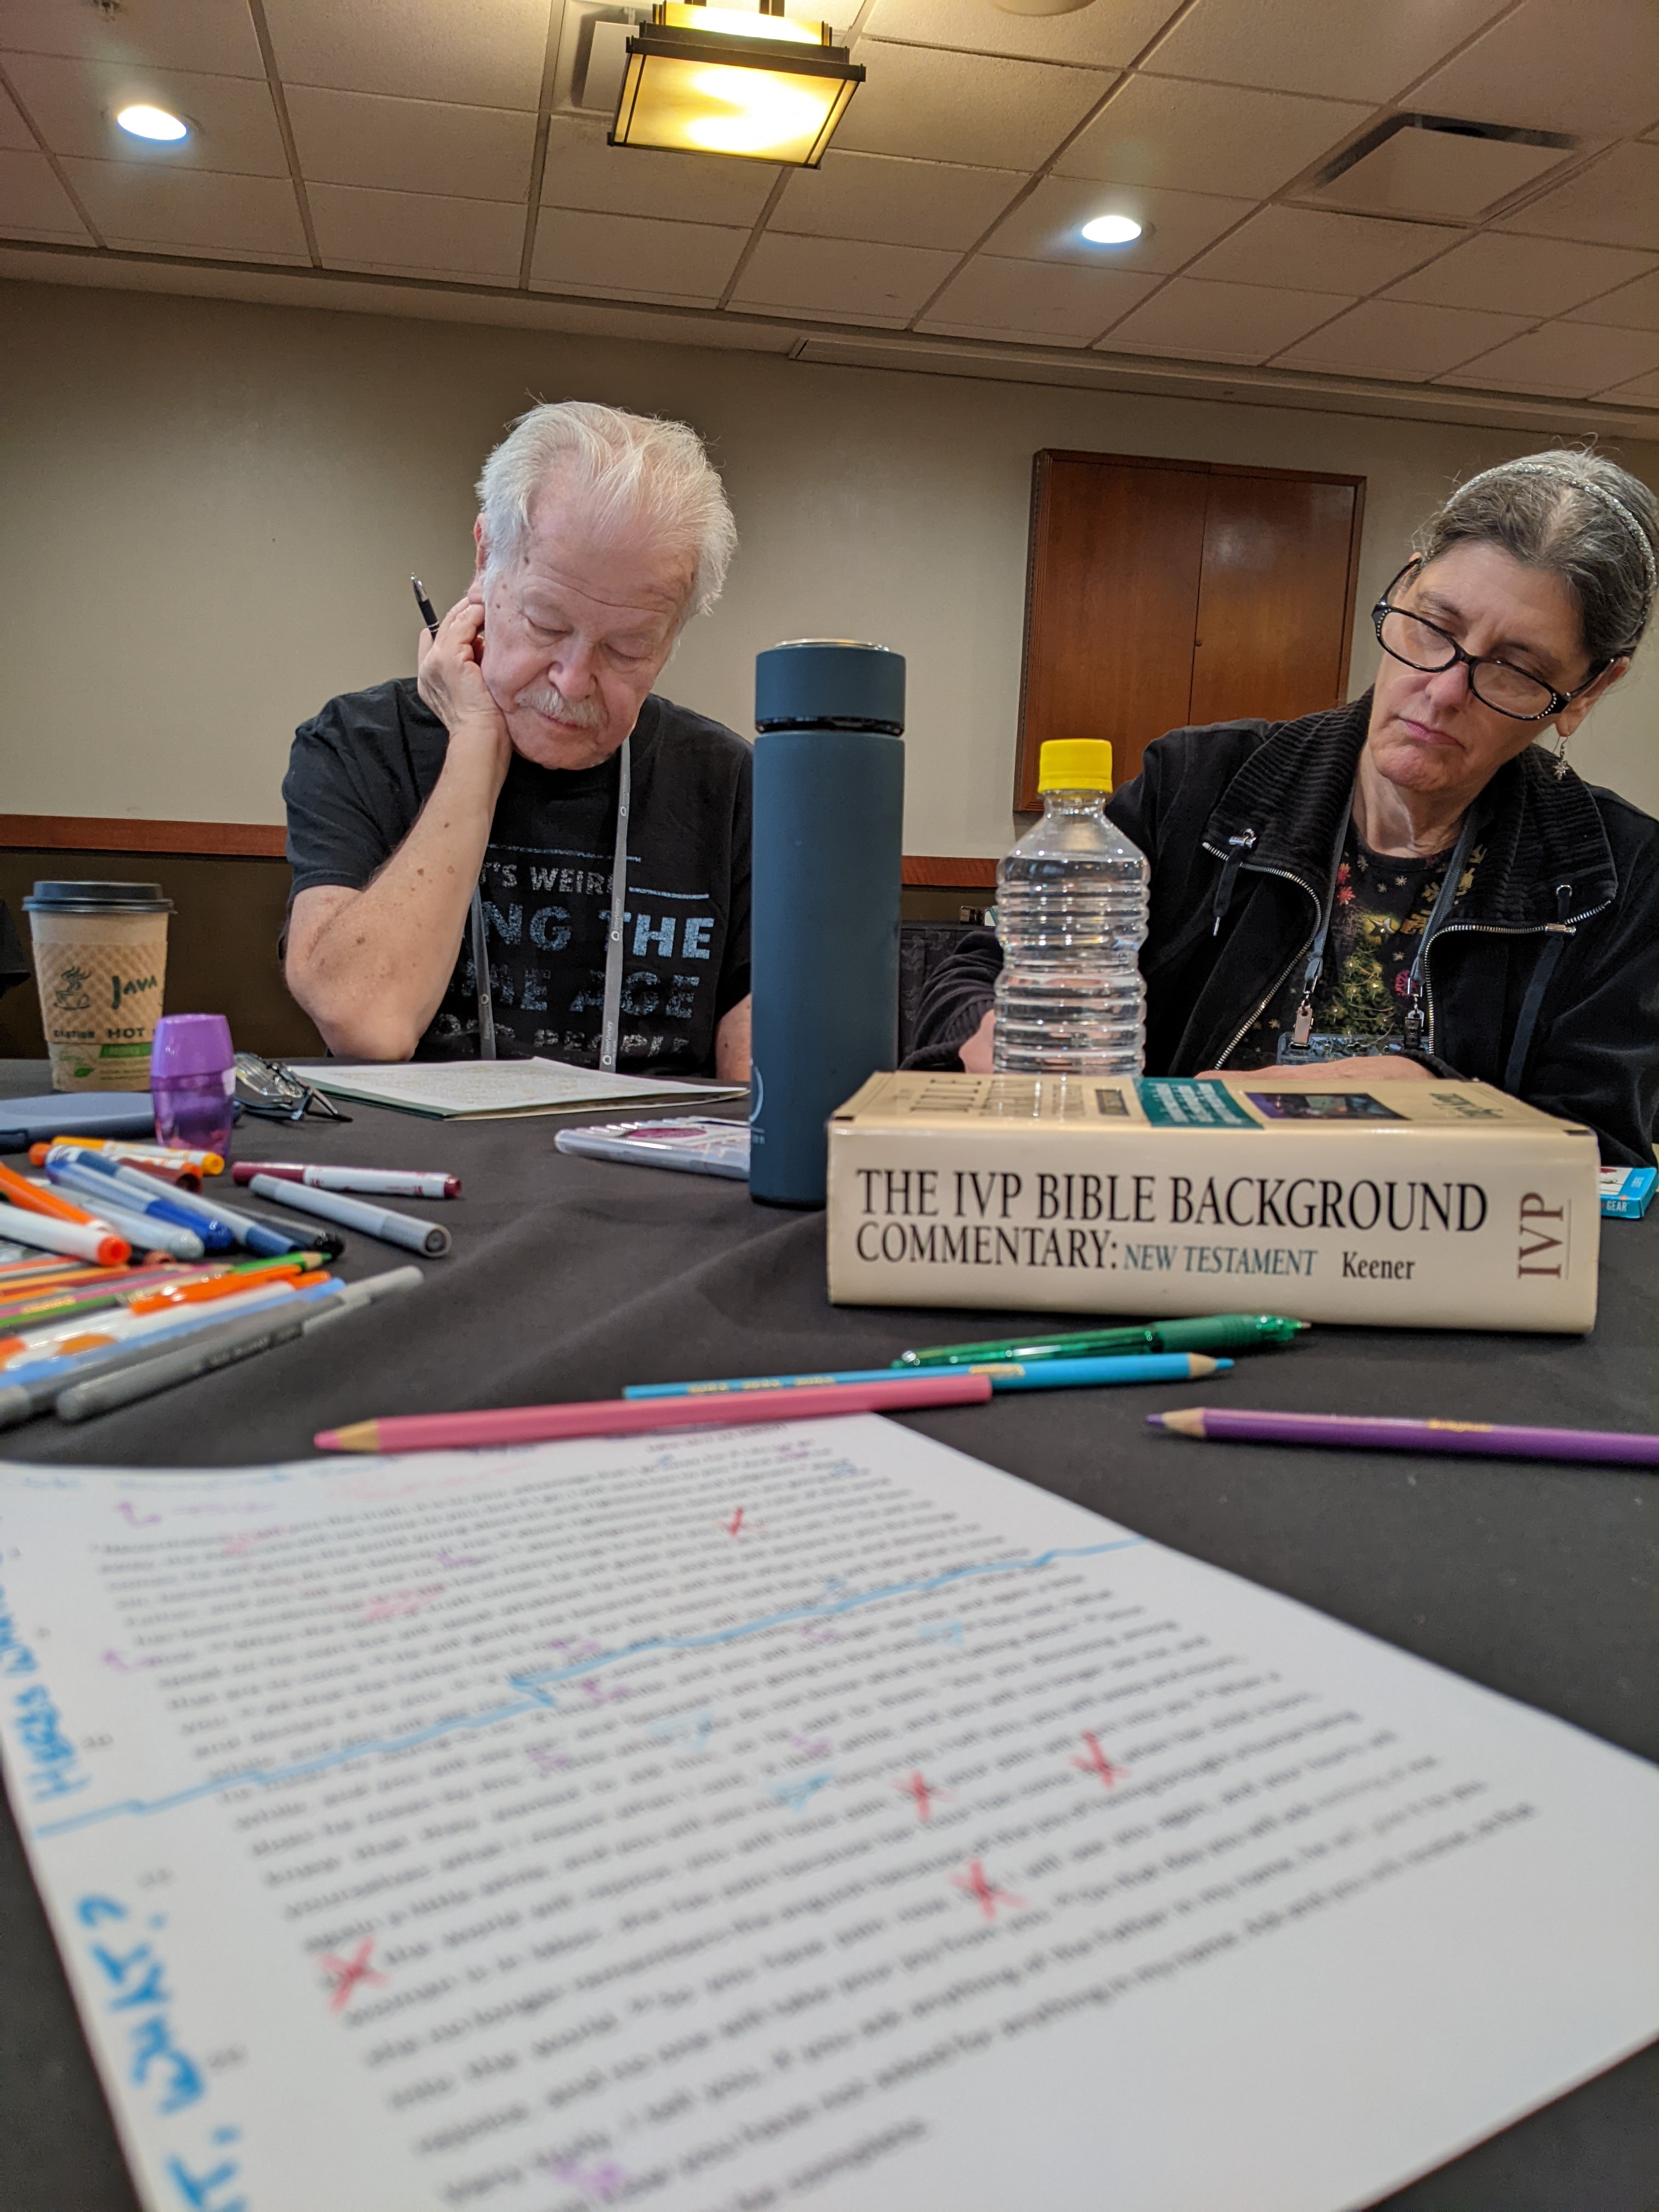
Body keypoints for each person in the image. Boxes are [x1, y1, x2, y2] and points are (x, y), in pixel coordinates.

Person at [911, 450, 1659, 1165]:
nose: (1442, 690)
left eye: (1516, 669)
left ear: (1587, 692)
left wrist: (1438, 1101)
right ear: (1405, 586)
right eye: (1434, 628)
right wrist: (1002, 1029)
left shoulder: (1624, 879)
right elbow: (977, 972)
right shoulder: (1198, 785)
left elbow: (1601, 1157)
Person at [282, 400, 751, 1078]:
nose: (572, 681)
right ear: (485, 559)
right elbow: (365, 1020)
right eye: (546, 624)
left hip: (648, 1148)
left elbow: (767, 1091)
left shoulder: (732, 786)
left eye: (626, 648)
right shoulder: (357, 744)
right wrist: (476, 742)